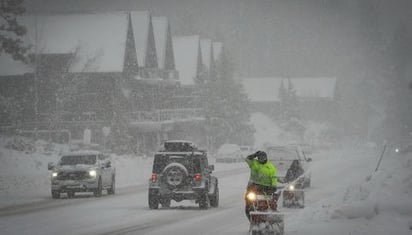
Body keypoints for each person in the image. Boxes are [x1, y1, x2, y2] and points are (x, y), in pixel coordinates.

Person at [244, 150, 277, 220]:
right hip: (253, 187)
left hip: (266, 189)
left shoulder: (271, 167)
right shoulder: (254, 163)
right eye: (259, 158)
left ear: (266, 158)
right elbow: (247, 159)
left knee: (268, 203)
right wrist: (254, 155)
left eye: (263, 158)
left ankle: (270, 216)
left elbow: (274, 178)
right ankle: (252, 219)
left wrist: (273, 187)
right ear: (257, 158)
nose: (261, 160)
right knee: (249, 204)